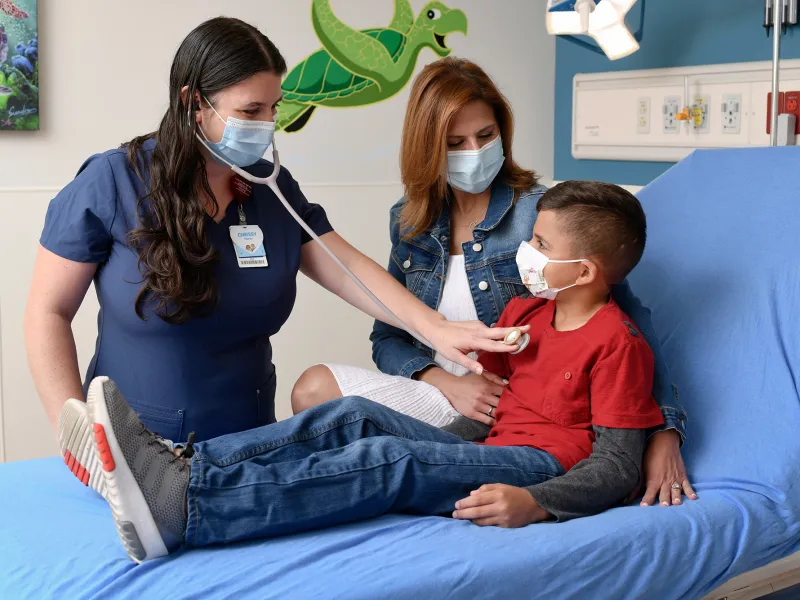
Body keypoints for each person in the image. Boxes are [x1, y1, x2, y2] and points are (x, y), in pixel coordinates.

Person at [25, 18, 524, 496]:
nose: (267, 125)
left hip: (252, 447)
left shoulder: (270, 188)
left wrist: (434, 328)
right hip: (136, 451)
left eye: (274, 109)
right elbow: (47, 313)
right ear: (193, 103)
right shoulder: (113, 181)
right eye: (250, 111)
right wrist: (76, 432)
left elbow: (348, 268)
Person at [68, 180, 667, 564]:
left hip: (543, 464)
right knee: (356, 417)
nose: (526, 254)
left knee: (390, 461)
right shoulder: (526, 311)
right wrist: (469, 382)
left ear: (585, 271)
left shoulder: (617, 343)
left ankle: (190, 507)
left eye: (540, 244)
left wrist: (538, 502)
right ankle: (184, 464)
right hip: (488, 442)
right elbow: (491, 396)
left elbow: (616, 465)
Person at [290, 57, 695, 509]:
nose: (475, 151)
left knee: (380, 456)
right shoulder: (410, 222)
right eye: (455, 142)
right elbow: (387, 336)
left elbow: (627, 327)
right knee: (315, 392)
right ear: (428, 148)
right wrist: (441, 379)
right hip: (442, 394)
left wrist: (665, 432)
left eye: (486, 136)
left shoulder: (540, 216)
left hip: (506, 406)